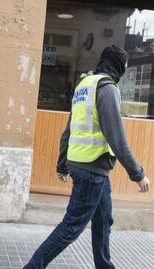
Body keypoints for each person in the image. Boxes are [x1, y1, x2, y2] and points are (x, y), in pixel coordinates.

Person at [23, 45, 151, 269]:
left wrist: (62, 164)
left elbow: (69, 129)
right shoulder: (107, 88)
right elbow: (117, 138)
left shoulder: (85, 85)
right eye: (125, 66)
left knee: (103, 221)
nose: (125, 71)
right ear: (118, 65)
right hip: (92, 169)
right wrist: (137, 174)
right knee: (71, 227)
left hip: (89, 166)